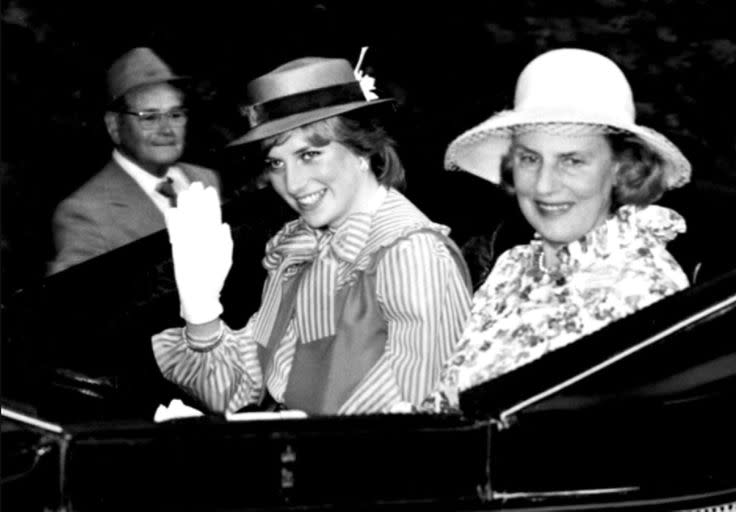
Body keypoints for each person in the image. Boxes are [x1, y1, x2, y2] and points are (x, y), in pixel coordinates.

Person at [152, 55, 472, 415]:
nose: (292, 184)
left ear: (362, 150)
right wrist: (201, 310)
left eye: (309, 154)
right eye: (276, 162)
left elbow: (417, 424)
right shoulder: (300, 252)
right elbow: (237, 392)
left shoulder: (412, 254)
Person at [421, 48, 692, 412]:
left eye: (572, 161)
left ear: (619, 169)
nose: (545, 186)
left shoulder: (644, 286)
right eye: (530, 159)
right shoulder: (512, 266)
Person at [48, 47, 220, 275]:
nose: (167, 129)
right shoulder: (85, 213)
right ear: (114, 126)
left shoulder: (204, 179)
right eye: (149, 117)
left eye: (175, 115)